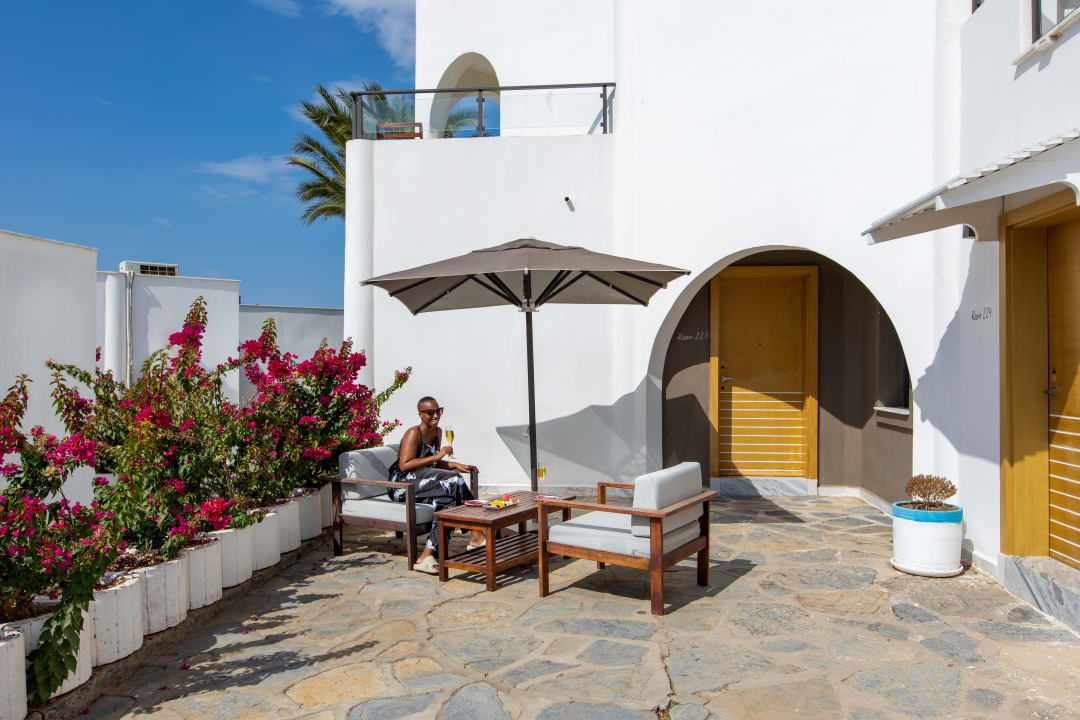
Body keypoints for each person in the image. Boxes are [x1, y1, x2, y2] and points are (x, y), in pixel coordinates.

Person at [388, 396, 481, 573]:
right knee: (454, 480)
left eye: (438, 411)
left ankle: (426, 555)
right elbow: (405, 465)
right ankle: (476, 531)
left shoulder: (437, 432)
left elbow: (433, 464)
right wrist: (439, 456)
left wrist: (456, 465)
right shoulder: (413, 433)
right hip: (402, 484)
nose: (436, 415)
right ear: (420, 414)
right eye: (430, 412)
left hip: (423, 481)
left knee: (448, 502)